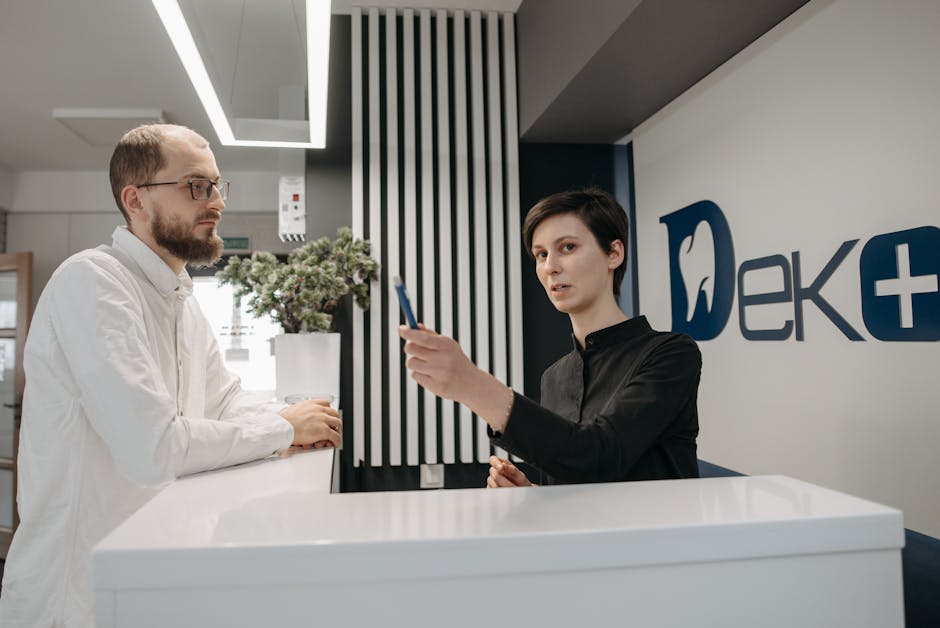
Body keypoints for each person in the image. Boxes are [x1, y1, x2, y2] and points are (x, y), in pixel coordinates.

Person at [0, 124, 341, 627]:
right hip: (75, 598)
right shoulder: (92, 282)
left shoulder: (180, 299)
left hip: (150, 576)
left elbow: (225, 400)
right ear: (135, 200)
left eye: (218, 186)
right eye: (196, 186)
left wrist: (299, 419)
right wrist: (284, 428)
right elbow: (153, 448)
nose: (216, 202)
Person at [400, 187, 701, 488]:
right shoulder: (554, 377)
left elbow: (599, 455)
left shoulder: (672, 354)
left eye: (568, 247)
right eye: (541, 254)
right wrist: (535, 493)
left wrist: (472, 384)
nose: (550, 267)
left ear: (614, 253)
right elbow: (573, 471)